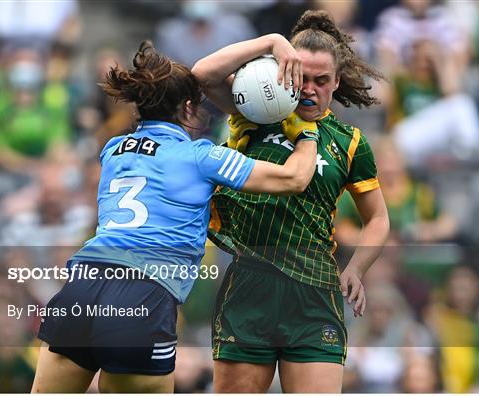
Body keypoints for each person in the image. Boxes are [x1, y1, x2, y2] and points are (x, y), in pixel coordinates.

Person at [30, 40, 319, 393]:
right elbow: (295, 178)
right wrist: (305, 128)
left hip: (82, 286)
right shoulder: (201, 156)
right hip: (143, 293)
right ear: (186, 107)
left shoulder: (112, 150)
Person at [192, 10, 390, 393]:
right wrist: (270, 43)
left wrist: (356, 269)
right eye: (302, 77)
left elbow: (378, 217)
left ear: (336, 82)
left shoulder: (348, 141)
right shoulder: (257, 110)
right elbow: (203, 74)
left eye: (321, 80)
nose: (309, 90)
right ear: (285, 71)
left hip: (314, 290)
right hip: (251, 281)